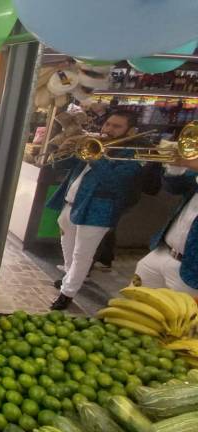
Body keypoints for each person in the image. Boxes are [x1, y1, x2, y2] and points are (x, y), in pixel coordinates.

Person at [47, 111, 143, 310]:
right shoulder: (90, 143)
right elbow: (59, 165)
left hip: (98, 211)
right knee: (68, 246)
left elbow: (114, 182)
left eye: (117, 126)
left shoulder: (131, 155)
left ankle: (67, 293)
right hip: (70, 205)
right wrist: (63, 151)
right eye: (107, 124)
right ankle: (69, 277)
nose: (108, 129)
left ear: (130, 130)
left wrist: (96, 157)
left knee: (82, 255)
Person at [134, 156, 198, 293]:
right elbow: (173, 188)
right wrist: (177, 166)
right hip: (163, 251)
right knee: (134, 304)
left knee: (177, 314)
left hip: (192, 270)